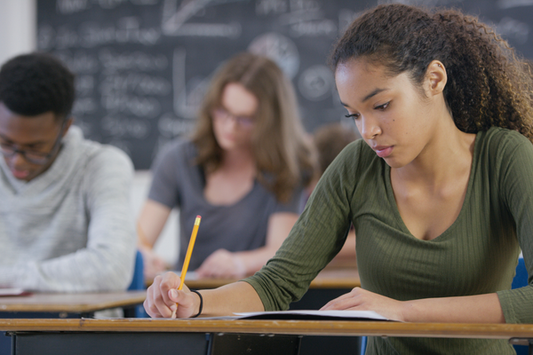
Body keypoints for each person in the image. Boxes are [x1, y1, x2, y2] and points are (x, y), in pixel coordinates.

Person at [144, 4, 533, 354]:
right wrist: (194, 302)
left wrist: (400, 312)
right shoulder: (357, 165)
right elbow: (276, 284)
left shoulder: (506, 158)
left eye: (382, 106)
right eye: (354, 114)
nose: (369, 131)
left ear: (434, 79)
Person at [137, 52, 316, 280]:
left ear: (270, 121)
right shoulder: (177, 159)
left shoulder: (287, 168)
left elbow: (281, 251)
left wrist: (239, 263)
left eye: (245, 118)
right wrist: (143, 255)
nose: (230, 126)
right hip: (185, 299)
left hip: (251, 301)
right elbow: (142, 239)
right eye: (223, 111)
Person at [0, 53, 137, 292]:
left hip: (77, 326)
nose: (17, 160)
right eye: (6, 142)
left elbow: (112, 268)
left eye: (35, 148)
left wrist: (8, 278)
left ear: (65, 128)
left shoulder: (101, 166)